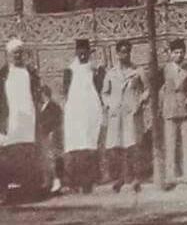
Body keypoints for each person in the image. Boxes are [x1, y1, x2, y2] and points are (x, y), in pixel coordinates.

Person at [102, 39, 149, 193]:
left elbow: (147, 89)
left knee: (133, 146)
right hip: (116, 115)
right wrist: (110, 105)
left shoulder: (138, 71)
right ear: (117, 54)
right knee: (117, 147)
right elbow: (104, 93)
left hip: (131, 113)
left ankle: (136, 179)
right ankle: (119, 179)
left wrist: (139, 102)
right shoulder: (111, 73)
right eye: (122, 52)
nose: (125, 55)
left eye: (128, 52)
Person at [0, 37, 41, 199]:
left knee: (27, 153)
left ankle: (28, 190)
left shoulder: (29, 72)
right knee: (11, 153)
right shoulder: (3, 74)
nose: (17, 56)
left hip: (28, 119)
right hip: (11, 120)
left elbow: (36, 94)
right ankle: (9, 190)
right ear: (8, 55)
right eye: (14, 53)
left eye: (19, 53)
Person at [62, 38, 103, 194]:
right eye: (80, 52)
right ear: (76, 52)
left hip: (90, 112)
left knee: (89, 146)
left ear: (89, 52)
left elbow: (99, 88)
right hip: (75, 113)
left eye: (85, 52)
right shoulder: (69, 71)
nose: (83, 55)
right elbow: (66, 92)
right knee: (75, 147)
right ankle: (73, 182)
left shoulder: (94, 70)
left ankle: (88, 182)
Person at [160, 38, 187, 190]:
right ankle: (170, 177)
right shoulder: (165, 69)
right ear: (170, 53)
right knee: (170, 143)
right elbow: (159, 88)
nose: (179, 55)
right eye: (176, 52)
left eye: (181, 52)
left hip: (184, 109)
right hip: (169, 110)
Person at [38, 86, 63, 195]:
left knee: (53, 158)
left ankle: (57, 181)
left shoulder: (54, 106)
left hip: (51, 135)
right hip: (44, 136)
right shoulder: (42, 106)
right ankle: (49, 182)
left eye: (41, 94)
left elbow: (57, 120)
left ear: (45, 94)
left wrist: (52, 131)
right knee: (48, 159)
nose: (40, 96)